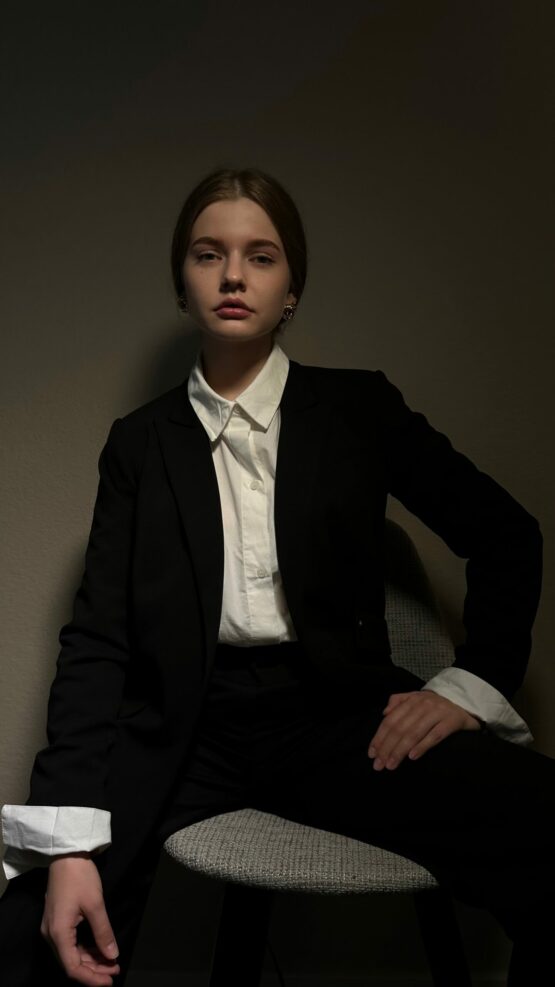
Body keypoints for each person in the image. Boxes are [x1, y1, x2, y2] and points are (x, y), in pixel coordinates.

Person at [0, 166, 552, 986]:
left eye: (260, 256)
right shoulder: (140, 444)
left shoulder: (359, 410)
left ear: (290, 288)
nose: (233, 275)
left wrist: (467, 686)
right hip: (187, 727)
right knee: (34, 926)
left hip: (335, 716)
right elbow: (98, 640)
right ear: (182, 283)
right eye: (208, 254)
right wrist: (72, 846)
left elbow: (506, 534)